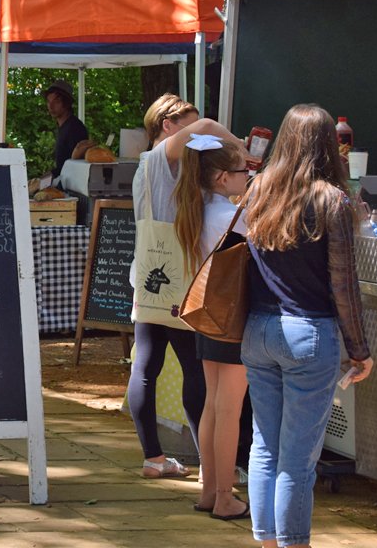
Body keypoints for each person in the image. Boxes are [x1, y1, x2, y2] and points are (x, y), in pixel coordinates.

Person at [243, 104, 373, 548]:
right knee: (297, 460)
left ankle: (266, 541)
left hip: (258, 331)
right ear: (327, 146)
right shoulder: (331, 200)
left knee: (265, 448)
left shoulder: (258, 187)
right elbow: (344, 286)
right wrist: (360, 349)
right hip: (308, 336)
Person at [127, 92, 240, 479]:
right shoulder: (161, 161)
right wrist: (240, 146)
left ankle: (154, 458)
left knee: (145, 364)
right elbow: (208, 126)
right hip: (182, 278)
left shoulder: (155, 168)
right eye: (186, 127)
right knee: (194, 370)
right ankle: (212, 463)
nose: (195, 134)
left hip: (149, 277)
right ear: (168, 125)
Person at [171, 134, 251, 519]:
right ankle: (223, 496)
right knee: (228, 410)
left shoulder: (196, 208)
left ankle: (209, 492)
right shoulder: (230, 216)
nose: (247, 176)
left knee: (212, 405)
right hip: (232, 317)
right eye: (243, 170)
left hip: (205, 315)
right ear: (221, 177)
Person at [44, 79, 89, 179]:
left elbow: (75, 166)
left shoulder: (75, 129)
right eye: (48, 101)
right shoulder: (64, 127)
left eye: (56, 101)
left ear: (67, 103)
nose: (51, 106)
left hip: (72, 185)